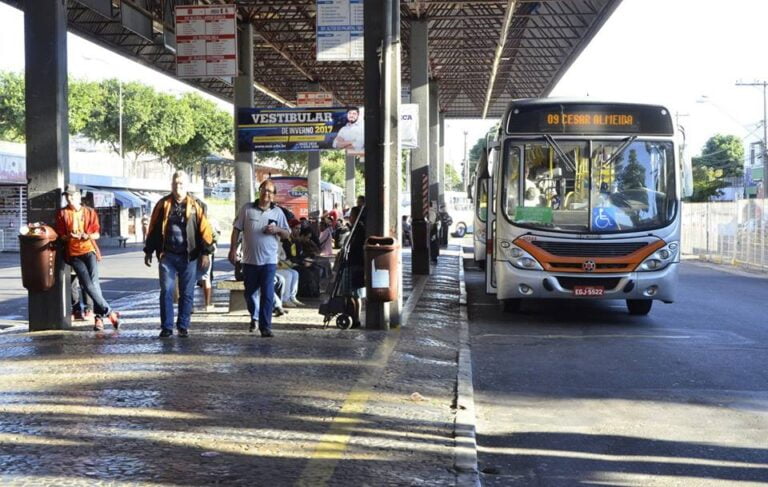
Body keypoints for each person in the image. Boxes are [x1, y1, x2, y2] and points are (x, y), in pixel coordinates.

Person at [144, 171, 215, 338]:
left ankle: (183, 325)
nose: (178, 187)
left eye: (181, 184)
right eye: (175, 184)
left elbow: (206, 231)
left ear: (187, 186)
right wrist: (148, 250)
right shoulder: (162, 204)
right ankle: (166, 327)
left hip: (189, 256)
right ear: (171, 185)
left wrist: (205, 252)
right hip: (167, 256)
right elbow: (153, 229)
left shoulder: (196, 205)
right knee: (166, 291)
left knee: (187, 293)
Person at [229, 179, 290, 337]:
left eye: (270, 191)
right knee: (249, 293)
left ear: (274, 196)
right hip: (249, 261)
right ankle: (254, 316)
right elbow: (236, 230)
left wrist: (277, 229)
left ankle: (265, 326)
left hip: (269, 261)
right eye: (264, 189)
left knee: (268, 294)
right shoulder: (247, 209)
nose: (266, 194)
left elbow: (288, 234)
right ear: (259, 191)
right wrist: (233, 249)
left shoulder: (278, 213)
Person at [55, 184, 120, 331]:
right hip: (73, 254)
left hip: (89, 250)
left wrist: (86, 235)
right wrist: (68, 236)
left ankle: (99, 318)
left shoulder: (89, 212)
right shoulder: (63, 213)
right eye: (67, 196)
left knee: (94, 284)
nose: (70, 199)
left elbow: (97, 234)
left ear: (79, 197)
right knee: (86, 284)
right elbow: (60, 235)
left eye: (72, 196)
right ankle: (109, 313)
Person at [339, 205, 366, 328]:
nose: (349, 218)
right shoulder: (354, 230)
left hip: (356, 264)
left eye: (351, 216)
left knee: (356, 294)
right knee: (349, 293)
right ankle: (352, 316)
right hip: (350, 263)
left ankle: (356, 318)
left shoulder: (360, 231)